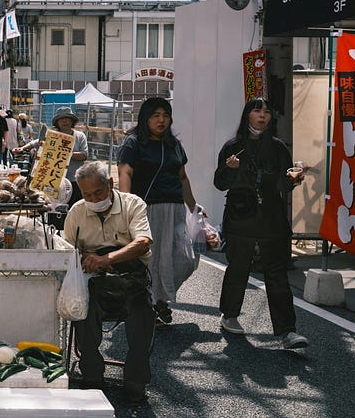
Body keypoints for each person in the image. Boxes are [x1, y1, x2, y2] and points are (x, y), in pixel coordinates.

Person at [214, 98, 309, 350]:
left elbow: (282, 186)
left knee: (276, 274)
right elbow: (220, 183)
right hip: (240, 216)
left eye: (267, 111)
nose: (262, 115)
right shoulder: (233, 147)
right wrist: (231, 169)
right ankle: (229, 314)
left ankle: (287, 331)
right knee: (238, 268)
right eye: (257, 110)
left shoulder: (277, 148)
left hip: (271, 219)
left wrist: (294, 178)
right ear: (247, 115)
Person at [63, 161, 155, 407]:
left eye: (98, 193)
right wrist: (81, 260)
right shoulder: (77, 212)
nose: (93, 199)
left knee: (143, 317)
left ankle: (135, 383)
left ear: (111, 184)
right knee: (83, 314)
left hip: (131, 279)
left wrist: (106, 259)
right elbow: (65, 251)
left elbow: (143, 242)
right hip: (95, 282)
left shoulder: (133, 204)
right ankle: (92, 377)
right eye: (87, 195)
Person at [117, 97, 197, 328]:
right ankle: (154, 304)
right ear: (145, 118)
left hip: (175, 208)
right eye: (156, 115)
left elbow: (182, 177)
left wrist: (194, 207)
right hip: (146, 209)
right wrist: (126, 206)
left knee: (184, 259)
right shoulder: (133, 143)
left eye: (166, 115)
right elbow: (125, 174)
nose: (162, 120)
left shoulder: (174, 144)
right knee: (150, 261)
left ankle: (158, 297)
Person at [16, 107, 88, 204]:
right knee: (55, 208)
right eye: (61, 119)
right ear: (57, 122)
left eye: (67, 118)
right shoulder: (53, 136)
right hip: (54, 180)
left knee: (75, 207)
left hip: (74, 179)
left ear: (72, 121)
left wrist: (65, 153)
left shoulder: (80, 136)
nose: (64, 121)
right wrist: (22, 148)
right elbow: (37, 142)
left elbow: (84, 155)